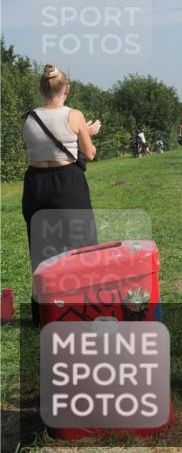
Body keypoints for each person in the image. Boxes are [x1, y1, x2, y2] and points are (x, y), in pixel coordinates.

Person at [20, 64, 101, 325]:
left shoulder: (28, 117)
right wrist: (86, 132)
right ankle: (86, 309)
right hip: (66, 182)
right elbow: (89, 154)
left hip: (35, 184)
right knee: (82, 246)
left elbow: (42, 145)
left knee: (42, 250)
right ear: (66, 89)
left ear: (41, 89)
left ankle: (43, 315)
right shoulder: (74, 115)